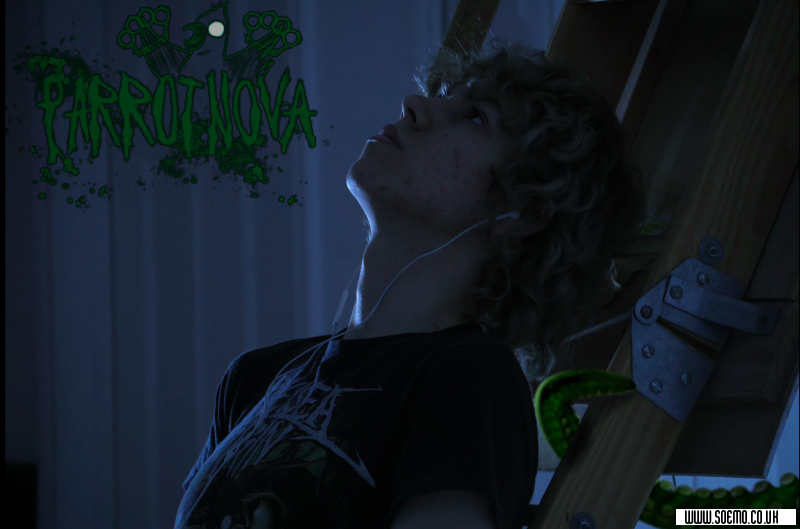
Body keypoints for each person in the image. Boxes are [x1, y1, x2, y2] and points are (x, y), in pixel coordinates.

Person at [174, 39, 645, 529]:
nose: (414, 105)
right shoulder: (254, 377)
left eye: (475, 116)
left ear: (524, 213)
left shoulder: (467, 382)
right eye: (441, 97)